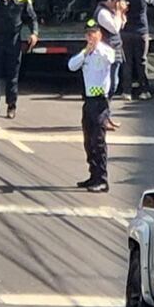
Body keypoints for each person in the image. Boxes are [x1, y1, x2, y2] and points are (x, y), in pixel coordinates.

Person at [68, 19, 115, 193]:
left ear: (99, 35)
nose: (90, 37)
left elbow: (110, 58)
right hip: (88, 101)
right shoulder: (85, 53)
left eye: (93, 34)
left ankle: (102, 179)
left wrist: (97, 48)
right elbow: (72, 66)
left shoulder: (105, 51)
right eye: (88, 34)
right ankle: (93, 175)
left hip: (100, 101)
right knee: (88, 141)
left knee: (99, 141)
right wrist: (86, 52)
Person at [121, 0, 154, 101]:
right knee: (141, 61)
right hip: (141, 31)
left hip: (125, 32)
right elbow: (153, 2)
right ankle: (144, 90)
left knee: (127, 62)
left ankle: (127, 91)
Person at [93, 0, 126, 108]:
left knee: (114, 83)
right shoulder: (102, 12)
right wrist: (118, 12)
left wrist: (121, 14)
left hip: (115, 49)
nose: (117, 4)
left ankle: (106, 114)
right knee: (109, 84)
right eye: (116, 1)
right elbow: (114, 28)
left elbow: (120, 25)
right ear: (109, 0)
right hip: (107, 51)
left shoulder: (109, 10)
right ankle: (102, 113)